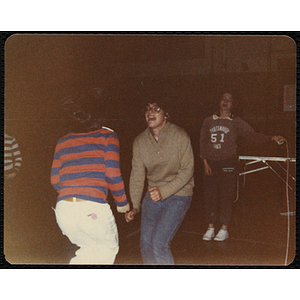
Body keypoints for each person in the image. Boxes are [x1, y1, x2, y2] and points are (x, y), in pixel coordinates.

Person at [51, 94, 129, 265]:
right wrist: (122, 202)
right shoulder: (108, 136)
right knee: (107, 249)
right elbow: (112, 174)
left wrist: (73, 192)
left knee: (88, 251)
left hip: (64, 210)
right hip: (92, 209)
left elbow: (55, 179)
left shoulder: (62, 141)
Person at [200, 92, 286, 242]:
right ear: (219, 102)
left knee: (226, 196)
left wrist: (272, 138)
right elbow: (203, 142)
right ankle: (210, 227)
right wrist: (205, 162)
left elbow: (253, 135)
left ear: (233, 104)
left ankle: (224, 229)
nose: (226, 102)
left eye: (229, 100)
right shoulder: (208, 120)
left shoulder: (236, 121)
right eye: (223, 99)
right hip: (211, 164)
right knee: (210, 196)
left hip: (228, 163)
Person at [125, 98, 194, 265]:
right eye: (148, 109)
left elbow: (187, 171)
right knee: (145, 244)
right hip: (153, 195)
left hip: (179, 194)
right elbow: (137, 175)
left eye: (156, 109)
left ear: (166, 115)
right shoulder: (140, 141)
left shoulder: (180, 136)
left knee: (159, 243)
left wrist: (163, 192)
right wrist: (134, 206)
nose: (150, 112)